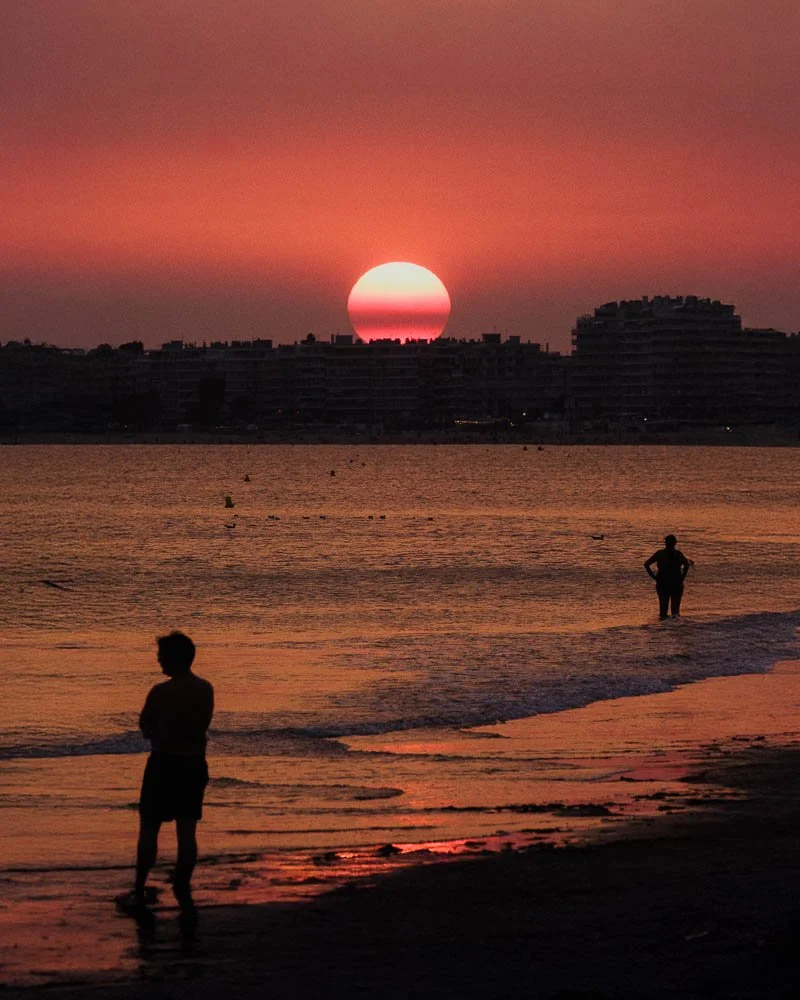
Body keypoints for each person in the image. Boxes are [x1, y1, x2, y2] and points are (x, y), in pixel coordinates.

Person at [118, 631, 214, 911]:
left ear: (173, 659)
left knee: (149, 828)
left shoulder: (160, 692)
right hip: (194, 763)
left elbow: (145, 725)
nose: (158, 660)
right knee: (187, 830)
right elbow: (202, 723)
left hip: (164, 763)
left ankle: (139, 886)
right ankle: (182, 883)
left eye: (161, 656)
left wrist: (159, 732)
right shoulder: (205, 688)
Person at [644, 534, 691, 620]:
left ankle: (665, 630)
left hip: (667, 583)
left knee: (664, 611)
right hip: (671, 583)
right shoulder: (677, 554)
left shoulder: (661, 554)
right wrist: (682, 578)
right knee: (674, 612)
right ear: (675, 543)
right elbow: (687, 565)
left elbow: (646, 564)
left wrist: (654, 578)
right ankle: (671, 630)